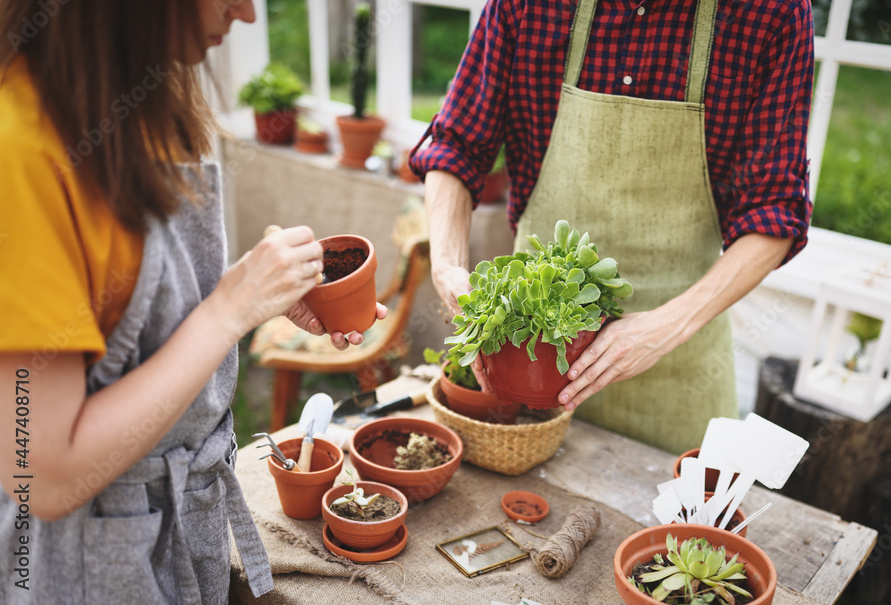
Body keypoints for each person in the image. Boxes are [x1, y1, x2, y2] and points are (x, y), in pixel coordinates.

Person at [0, 1, 384, 602]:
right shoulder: (17, 150)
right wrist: (228, 309)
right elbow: (40, 473)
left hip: (182, 522)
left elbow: (126, 312)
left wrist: (256, 295)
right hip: (88, 564)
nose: (249, 15)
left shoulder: (143, 99)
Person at [411, 0, 813, 453]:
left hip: (676, 370)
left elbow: (775, 209)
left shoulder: (770, 12)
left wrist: (664, 328)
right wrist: (447, 268)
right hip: (527, 357)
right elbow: (457, 145)